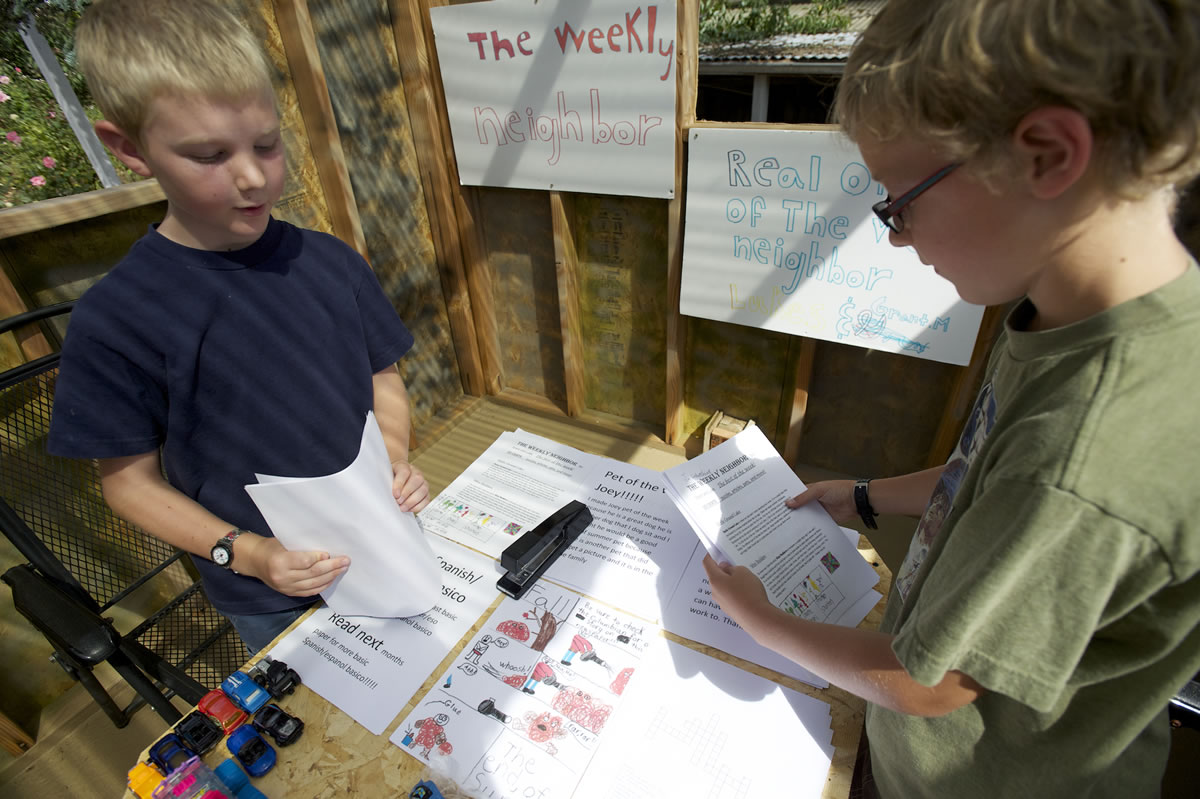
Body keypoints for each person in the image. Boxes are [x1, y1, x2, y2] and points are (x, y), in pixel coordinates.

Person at [702, 1, 1200, 796]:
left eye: (900, 201)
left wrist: (758, 620)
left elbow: (927, 685)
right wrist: (864, 495)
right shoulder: (1064, 314)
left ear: (1045, 154)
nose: (896, 236)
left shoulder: (1090, 454)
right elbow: (983, 477)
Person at [48, 0, 431, 654]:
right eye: (209, 154)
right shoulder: (116, 319)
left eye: (266, 144)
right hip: (267, 590)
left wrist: (395, 456)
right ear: (129, 149)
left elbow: (382, 375)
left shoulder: (330, 261)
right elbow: (129, 484)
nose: (253, 176)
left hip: (383, 537)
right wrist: (246, 553)